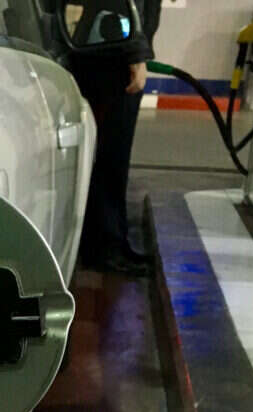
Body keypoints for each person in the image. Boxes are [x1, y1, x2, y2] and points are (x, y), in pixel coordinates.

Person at [70, 0, 161, 273]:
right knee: (111, 155)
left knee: (113, 156)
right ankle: (105, 247)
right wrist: (135, 54)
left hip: (112, 50)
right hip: (112, 56)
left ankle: (111, 241)